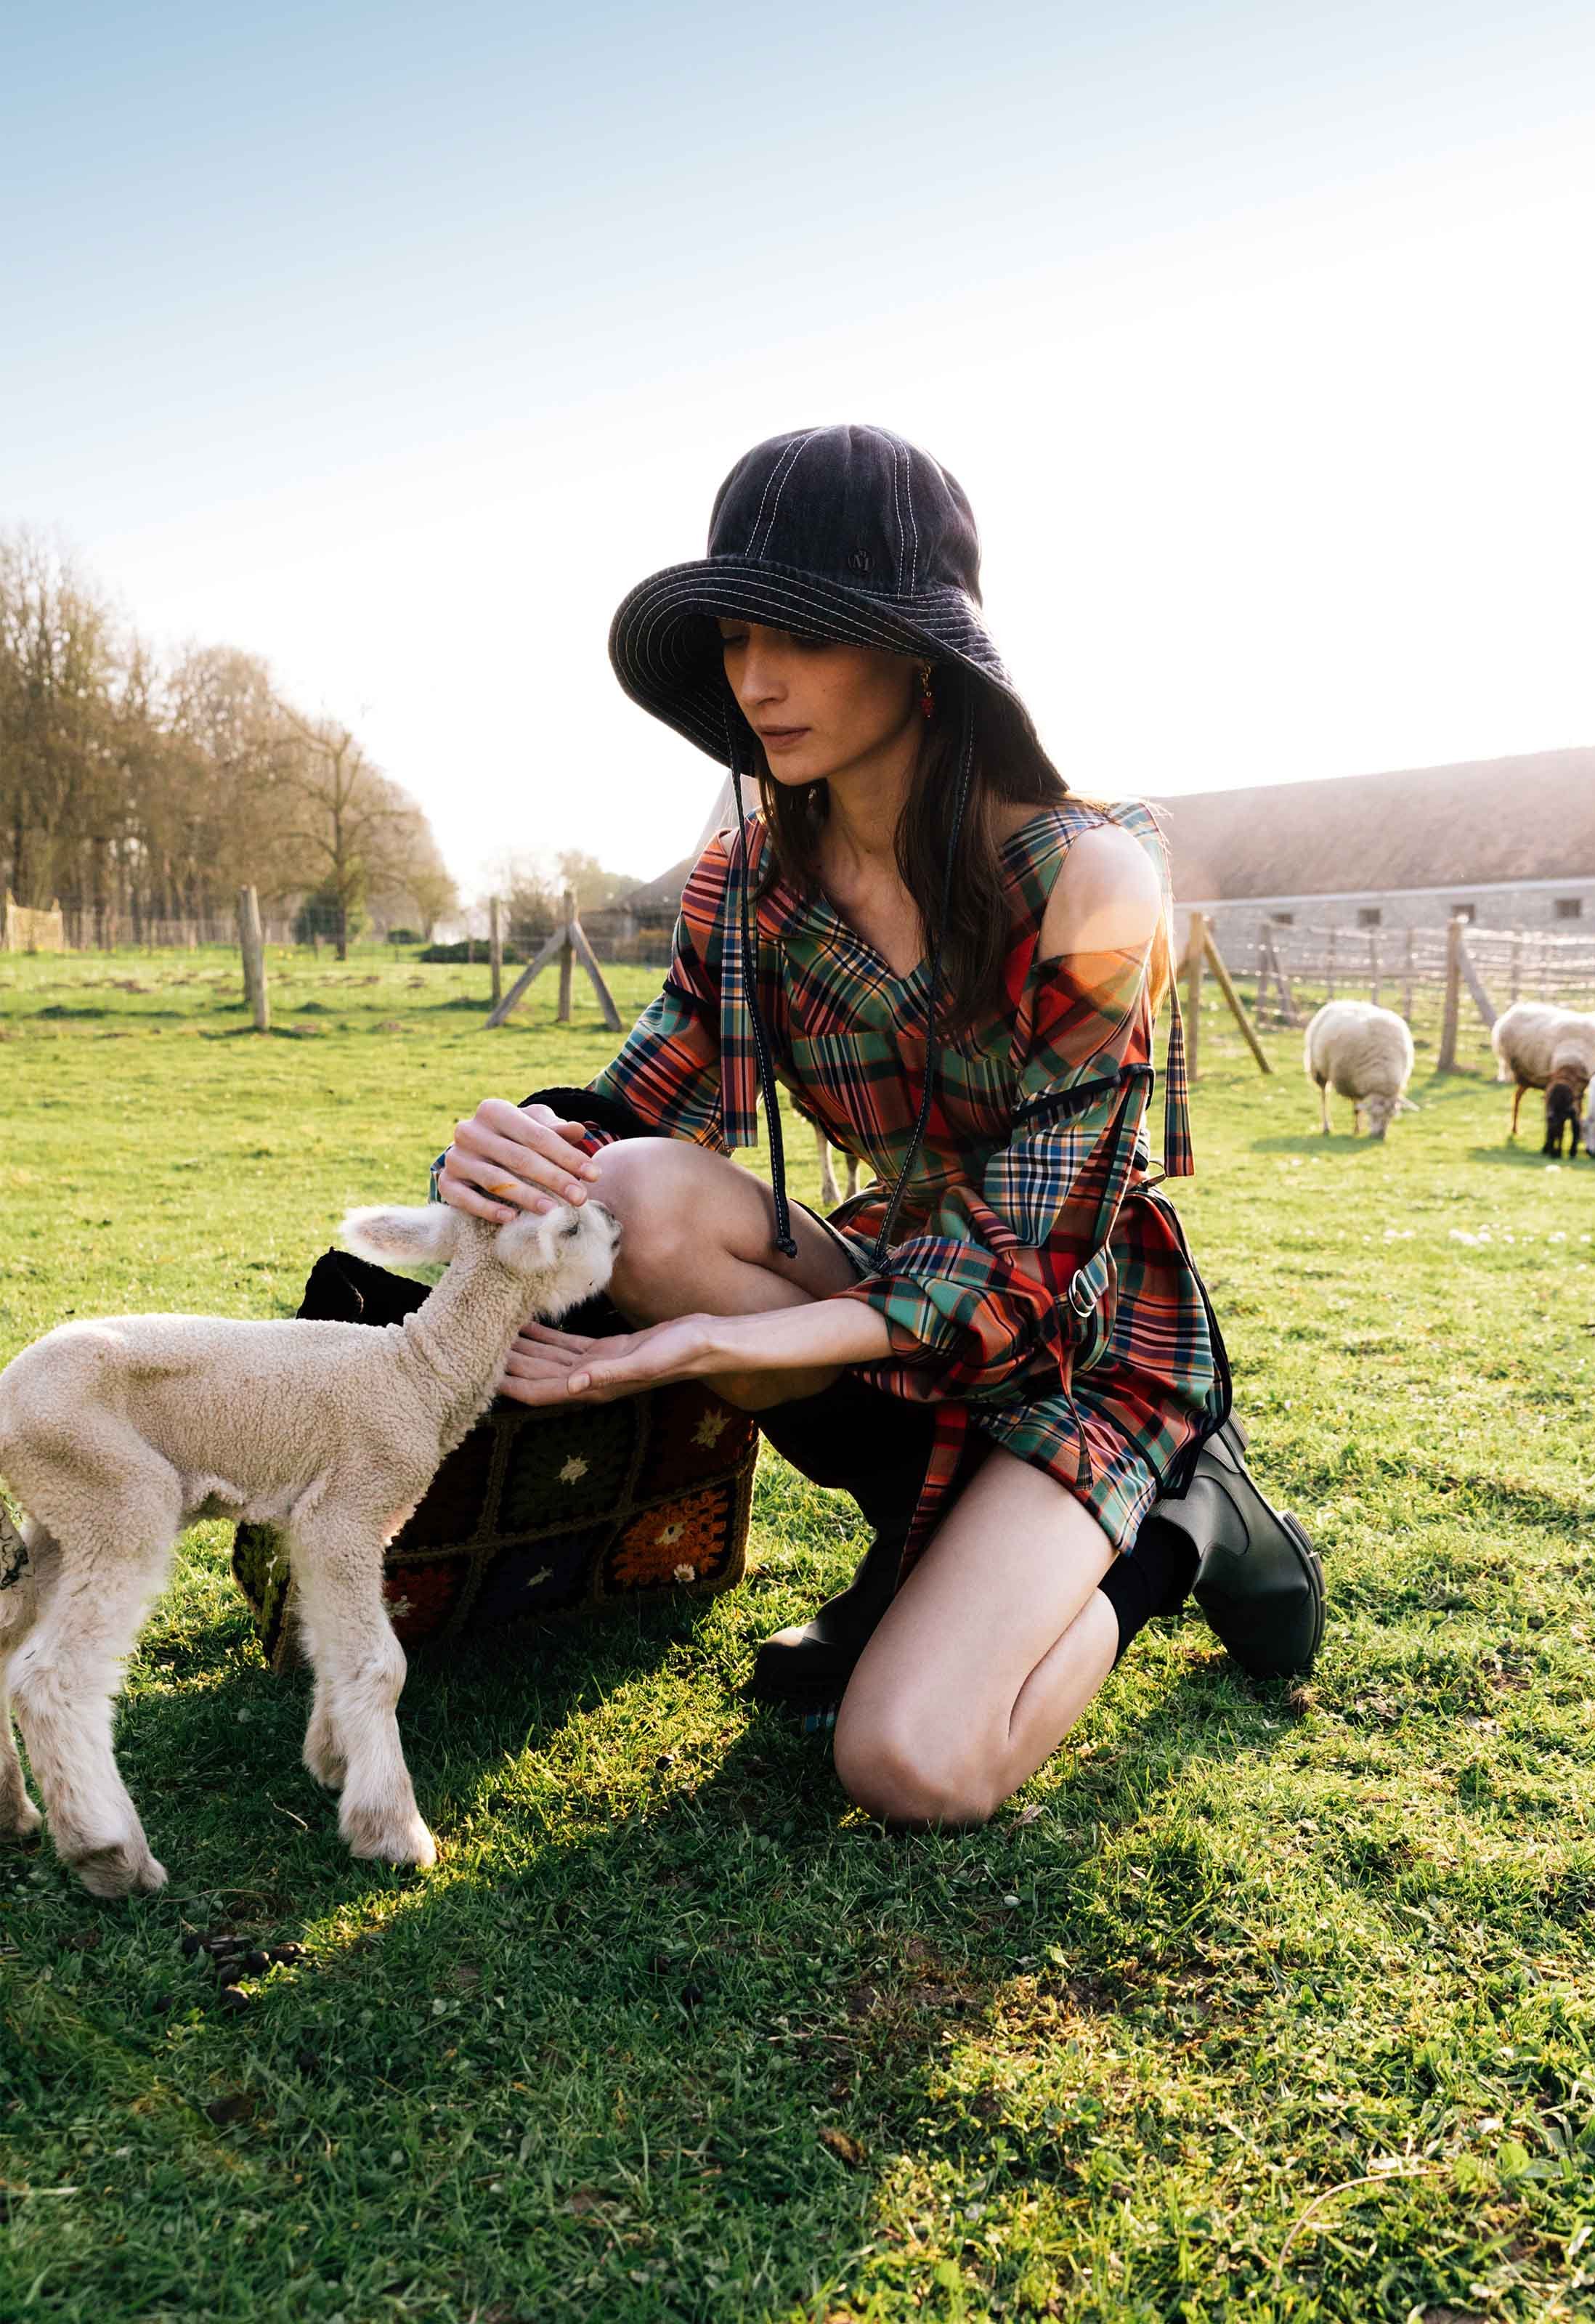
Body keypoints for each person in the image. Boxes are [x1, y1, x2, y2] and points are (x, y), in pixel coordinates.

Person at [433, 423, 1322, 1827]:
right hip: (886, 1282)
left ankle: (1175, 1532)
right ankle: (917, 1556)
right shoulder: (746, 880)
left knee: (911, 1765)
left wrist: (720, 1341)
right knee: (637, 1194)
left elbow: (1017, 1266)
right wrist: (511, 1147)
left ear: (923, 652)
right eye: (732, 637)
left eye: (801, 636)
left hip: (1078, 1337)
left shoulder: (1092, 881)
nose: (754, 681)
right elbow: (636, 1107)